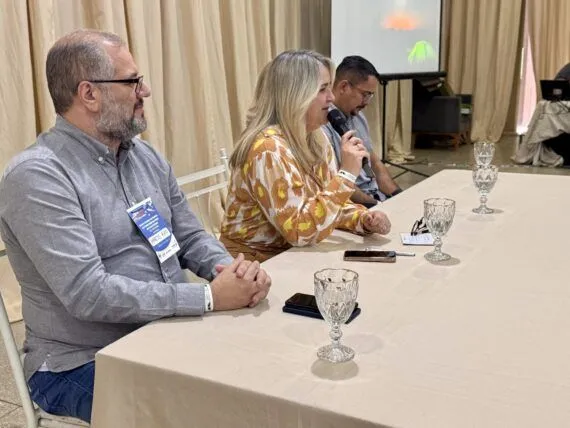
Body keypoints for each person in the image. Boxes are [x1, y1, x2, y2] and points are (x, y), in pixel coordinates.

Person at [0, 29, 271, 423]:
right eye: (132, 81)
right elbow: (87, 293)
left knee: (268, 372)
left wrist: (230, 271)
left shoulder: (143, 156)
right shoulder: (38, 176)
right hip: (81, 363)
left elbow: (191, 236)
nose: (144, 92)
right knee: (207, 413)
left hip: (167, 333)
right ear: (88, 94)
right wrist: (208, 299)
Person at [220, 50, 391, 262]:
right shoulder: (267, 148)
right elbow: (300, 232)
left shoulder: (316, 138)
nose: (332, 97)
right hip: (254, 263)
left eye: (330, 87)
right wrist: (346, 175)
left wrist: (363, 219)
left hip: (293, 254)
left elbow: (325, 206)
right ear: (295, 96)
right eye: (322, 89)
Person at [322, 55, 402, 208]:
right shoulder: (322, 125)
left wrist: (398, 195)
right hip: (353, 204)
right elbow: (337, 181)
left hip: (374, 198)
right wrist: (377, 205)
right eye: (365, 94)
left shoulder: (358, 117)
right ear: (344, 87)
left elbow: (375, 164)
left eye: (370, 96)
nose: (366, 102)